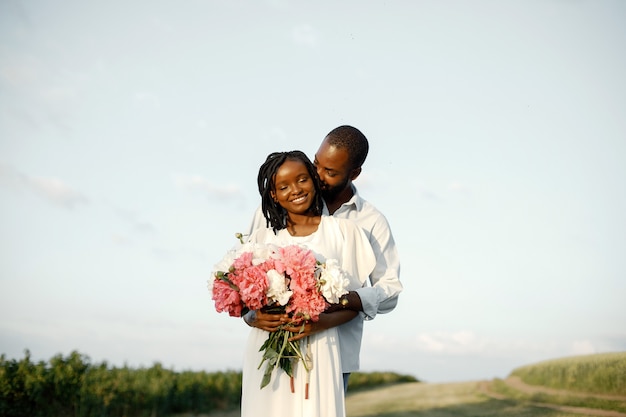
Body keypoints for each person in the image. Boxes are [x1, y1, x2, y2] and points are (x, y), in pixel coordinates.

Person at [246, 125, 403, 391]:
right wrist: (250, 315)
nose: (317, 176)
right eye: (316, 163)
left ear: (355, 173)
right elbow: (245, 274)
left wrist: (339, 300)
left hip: (336, 355)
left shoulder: (370, 222)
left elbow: (389, 291)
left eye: (330, 172)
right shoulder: (278, 208)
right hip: (273, 353)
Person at [241, 150, 376, 417]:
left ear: (314, 180)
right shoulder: (260, 238)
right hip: (266, 350)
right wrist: (252, 318)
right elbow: (242, 302)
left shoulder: (345, 233)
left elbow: (355, 302)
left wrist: (320, 323)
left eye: (302, 179)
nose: (295, 190)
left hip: (321, 346)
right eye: (283, 186)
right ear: (273, 195)